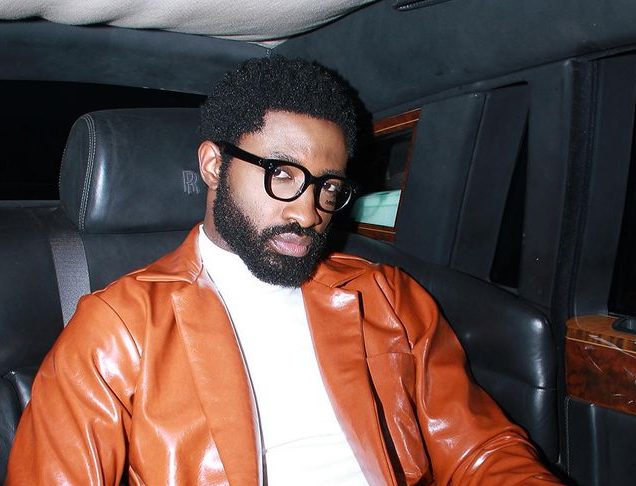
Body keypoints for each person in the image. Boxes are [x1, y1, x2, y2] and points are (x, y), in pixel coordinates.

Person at [6, 56, 562, 485]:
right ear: (214, 165)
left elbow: (480, 450)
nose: (308, 212)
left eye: (327, 187)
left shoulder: (385, 296)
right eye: (282, 174)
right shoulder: (118, 330)